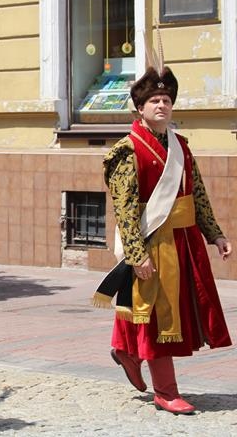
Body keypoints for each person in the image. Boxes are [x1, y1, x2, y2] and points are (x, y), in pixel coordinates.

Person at [93, 44, 232, 414]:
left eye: (166, 100)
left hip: (185, 242)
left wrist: (215, 234)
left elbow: (197, 194)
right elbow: (124, 208)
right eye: (154, 100)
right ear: (140, 108)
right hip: (153, 241)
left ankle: (125, 350)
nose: (161, 105)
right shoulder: (128, 150)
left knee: (166, 310)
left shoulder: (181, 146)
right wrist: (137, 254)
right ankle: (166, 391)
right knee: (157, 317)